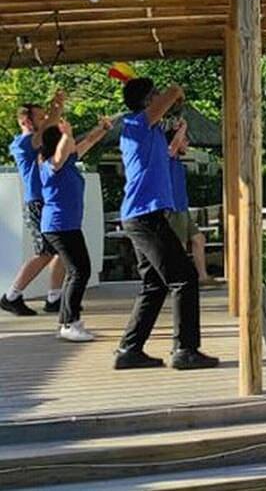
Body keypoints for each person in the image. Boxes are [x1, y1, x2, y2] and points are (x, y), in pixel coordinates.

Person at [114, 78, 217, 371]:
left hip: (142, 215)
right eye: (155, 95)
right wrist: (176, 89)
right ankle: (185, 350)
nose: (161, 98)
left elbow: (171, 147)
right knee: (184, 277)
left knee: (155, 284)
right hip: (145, 216)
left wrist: (178, 128)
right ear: (149, 100)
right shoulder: (135, 124)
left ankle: (129, 349)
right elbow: (170, 95)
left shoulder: (151, 133)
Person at [38, 115, 111, 342]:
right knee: (79, 271)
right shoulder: (50, 165)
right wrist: (66, 135)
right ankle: (70, 323)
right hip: (59, 225)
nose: (72, 143)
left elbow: (88, 141)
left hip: (67, 225)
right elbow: (59, 158)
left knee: (77, 271)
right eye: (67, 140)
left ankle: (68, 321)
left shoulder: (69, 160)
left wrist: (103, 128)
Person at [2, 94, 67, 317]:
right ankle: (11, 296)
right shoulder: (23, 143)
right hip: (38, 201)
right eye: (40, 117)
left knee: (60, 249)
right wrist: (57, 107)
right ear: (26, 122)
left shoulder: (35, 140)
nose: (46, 119)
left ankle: (54, 298)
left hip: (47, 200)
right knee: (45, 252)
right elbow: (45, 130)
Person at [165, 119, 218, 287]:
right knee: (178, 245)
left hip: (182, 208)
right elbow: (171, 149)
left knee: (198, 239)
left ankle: (202, 277)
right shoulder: (166, 158)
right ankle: (178, 281)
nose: (187, 143)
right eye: (184, 139)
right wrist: (183, 128)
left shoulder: (177, 162)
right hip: (173, 208)